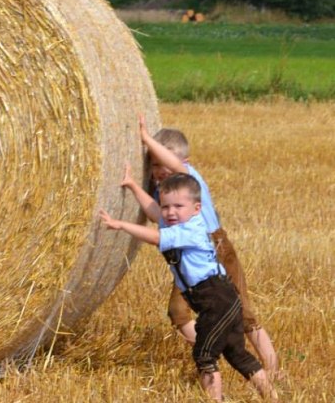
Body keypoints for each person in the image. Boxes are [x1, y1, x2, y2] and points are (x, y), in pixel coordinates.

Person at [120, 115, 281, 380]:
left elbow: (175, 166)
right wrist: (134, 185)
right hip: (186, 258)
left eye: (164, 163)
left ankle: (272, 371)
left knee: (244, 315)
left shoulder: (189, 181)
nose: (160, 170)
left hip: (214, 248)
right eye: (154, 164)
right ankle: (210, 354)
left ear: (184, 163)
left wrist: (147, 139)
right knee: (178, 313)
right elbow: (155, 214)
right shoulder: (167, 195)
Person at [100, 173, 277, 402]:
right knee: (237, 354)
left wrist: (121, 225)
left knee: (205, 355)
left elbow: (156, 237)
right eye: (167, 206)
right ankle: (272, 396)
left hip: (217, 300)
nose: (170, 212)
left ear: (196, 208)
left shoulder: (191, 230)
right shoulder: (178, 222)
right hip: (218, 299)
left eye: (178, 206)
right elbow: (153, 211)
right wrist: (134, 186)